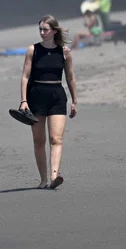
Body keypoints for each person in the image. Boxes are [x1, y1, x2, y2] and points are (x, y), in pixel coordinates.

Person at [17, 15, 78, 189]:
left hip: (57, 96)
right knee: (39, 140)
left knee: (56, 138)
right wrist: (23, 100)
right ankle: (43, 179)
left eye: (45, 29)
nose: (42, 33)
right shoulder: (33, 50)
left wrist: (75, 100)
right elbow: (25, 77)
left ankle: (54, 177)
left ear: (54, 31)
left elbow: (71, 77)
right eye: (40, 30)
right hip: (36, 95)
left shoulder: (65, 52)